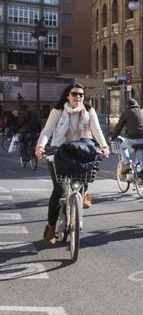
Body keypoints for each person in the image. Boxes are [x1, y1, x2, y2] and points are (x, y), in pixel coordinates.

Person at [34, 83, 109, 243]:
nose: (78, 97)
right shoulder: (58, 111)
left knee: (87, 172)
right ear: (67, 95)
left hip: (81, 151)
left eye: (81, 94)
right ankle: (51, 226)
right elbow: (47, 130)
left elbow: (96, 130)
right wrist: (41, 146)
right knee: (60, 189)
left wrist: (103, 146)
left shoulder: (89, 111)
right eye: (74, 94)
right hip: (59, 153)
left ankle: (82, 195)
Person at [110, 98, 143, 172]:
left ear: (127, 105)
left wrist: (113, 137)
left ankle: (127, 164)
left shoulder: (126, 112)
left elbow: (119, 127)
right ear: (137, 104)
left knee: (122, 147)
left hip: (133, 138)